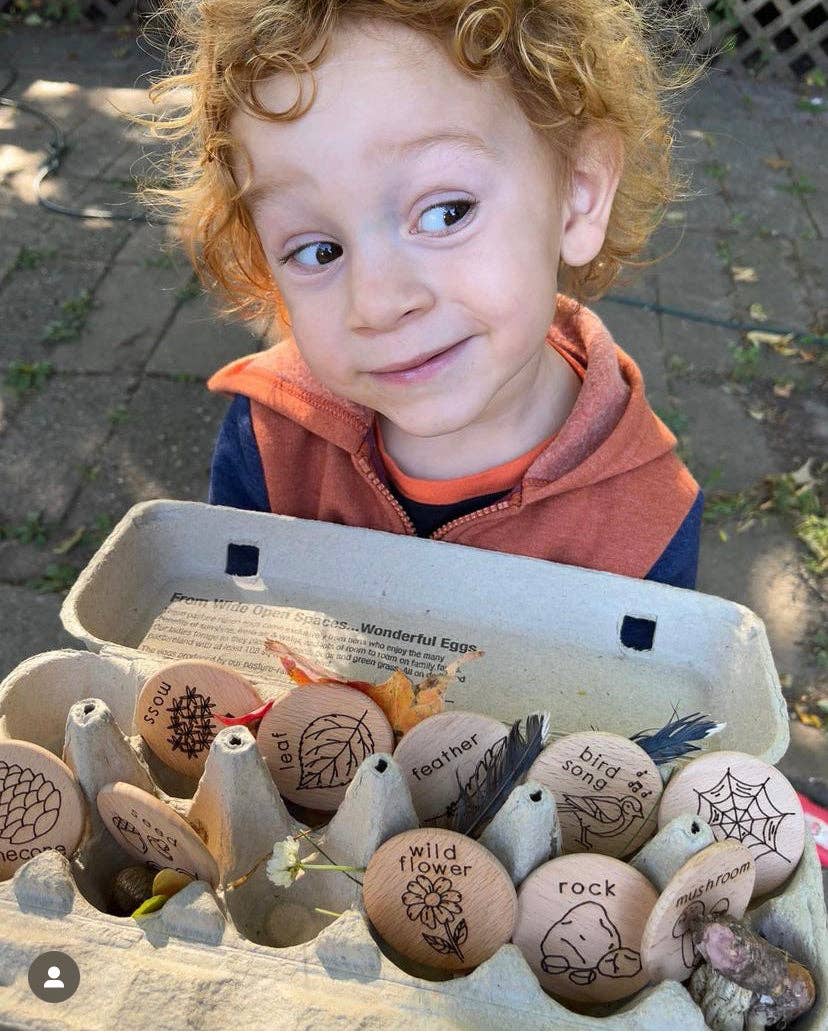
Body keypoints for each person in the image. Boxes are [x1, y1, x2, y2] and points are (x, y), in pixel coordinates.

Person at [142, 0, 705, 588]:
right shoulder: (270, 437)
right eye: (317, 251)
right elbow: (228, 624)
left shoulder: (649, 523)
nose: (379, 304)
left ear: (580, 189)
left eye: (445, 213)